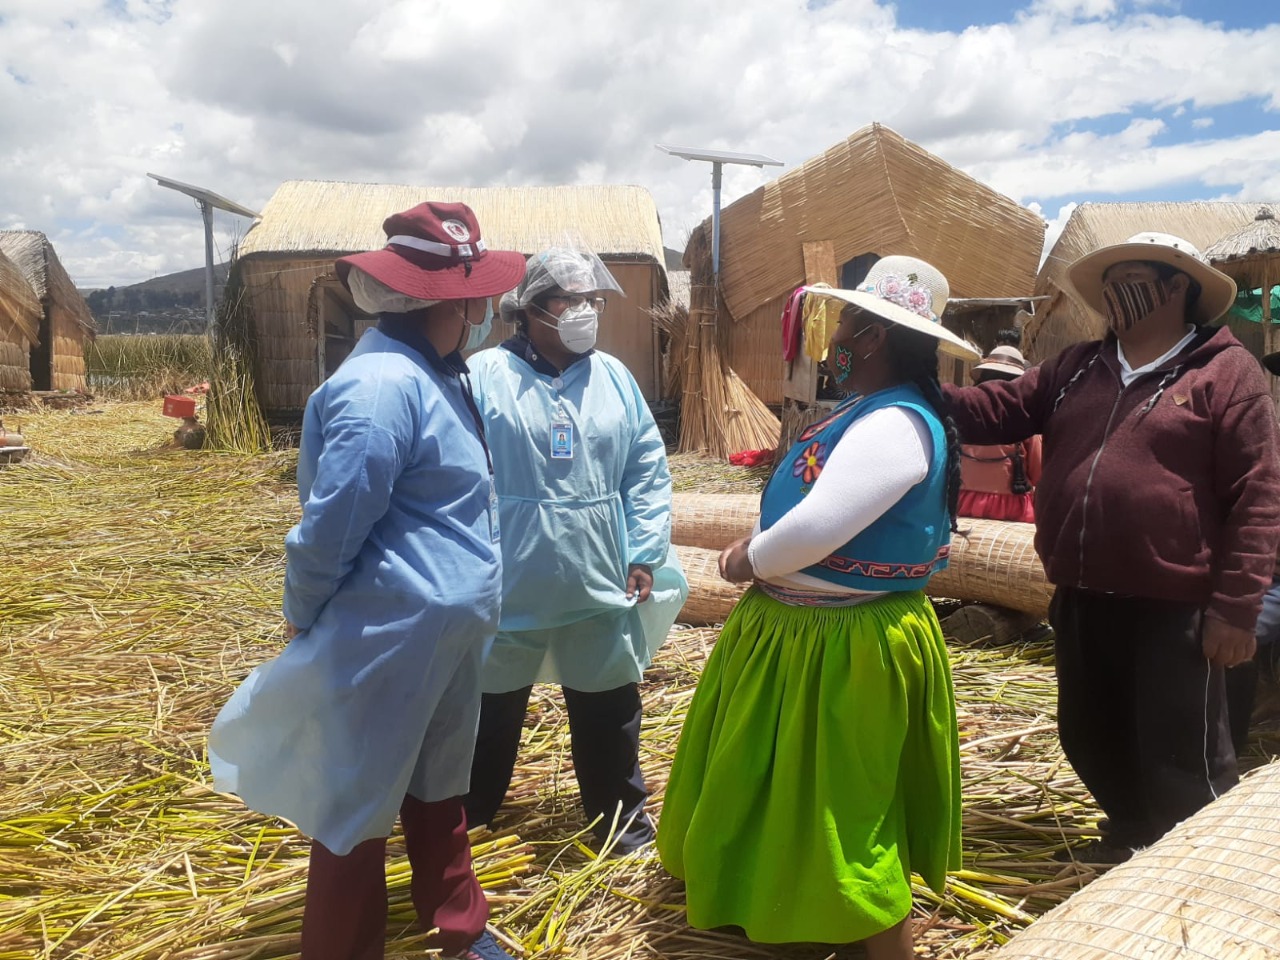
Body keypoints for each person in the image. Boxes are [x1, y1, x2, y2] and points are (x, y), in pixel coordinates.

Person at [209, 202, 526, 960]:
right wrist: (302, 611)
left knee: (438, 778)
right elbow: (334, 520)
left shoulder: (436, 374)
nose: (483, 309)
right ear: (441, 301)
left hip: (442, 633)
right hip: (390, 630)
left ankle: (456, 923)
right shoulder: (382, 387)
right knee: (357, 797)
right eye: (473, 295)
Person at [658, 257, 975, 960]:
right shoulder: (868, 410)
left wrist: (749, 558)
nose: (835, 336)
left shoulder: (896, 423)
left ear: (874, 335)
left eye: (849, 323)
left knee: (841, 809)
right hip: (800, 633)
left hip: (842, 646)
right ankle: (788, 917)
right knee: (787, 794)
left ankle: (874, 943)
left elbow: (819, 527)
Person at [942, 232, 1280, 863]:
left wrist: (1236, 609)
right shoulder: (1076, 369)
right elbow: (994, 409)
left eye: (1133, 276)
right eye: (1110, 280)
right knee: (1091, 736)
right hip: (1083, 595)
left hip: (1178, 607)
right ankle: (1128, 835)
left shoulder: (1225, 371)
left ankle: (1189, 873)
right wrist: (920, 392)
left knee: (1183, 756)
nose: (1114, 292)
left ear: (1177, 286)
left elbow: (1258, 495)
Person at [463, 248, 688, 855]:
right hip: (510, 577)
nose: (585, 312)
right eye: (570, 300)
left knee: (609, 707)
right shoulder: (484, 375)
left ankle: (620, 827)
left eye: (593, 300)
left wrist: (644, 550)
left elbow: (645, 466)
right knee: (489, 711)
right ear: (532, 308)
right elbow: (456, 474)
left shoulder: (613, 376)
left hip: (598, 575)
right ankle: (469, 820)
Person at [957, 345, 1041, 523]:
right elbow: (1039, 472)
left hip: (961, 503)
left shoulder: (963, 412)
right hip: (1012, 510)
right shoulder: (1025, 420)